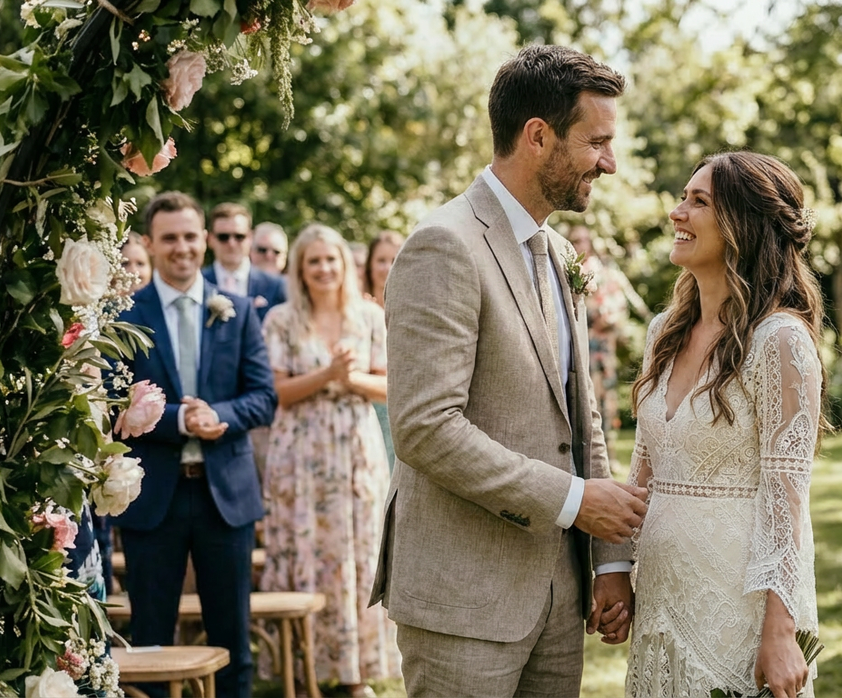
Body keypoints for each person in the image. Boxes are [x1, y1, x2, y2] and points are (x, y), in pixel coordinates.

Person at [370, 45, 645, 696]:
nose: (609, 163)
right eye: (597, 142)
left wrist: (610, 562)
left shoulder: (557, 251)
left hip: (558, 597)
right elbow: (426, 428)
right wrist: (574, 502)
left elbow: (582, 417)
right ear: (538, 136)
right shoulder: (444, 245)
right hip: (463, 598)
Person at [624, 152, 824, 698]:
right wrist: (617, 569)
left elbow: (787, 502)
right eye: (682, 198)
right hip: (662, 598)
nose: (677, 212)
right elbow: (642, 473)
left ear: (744, 224)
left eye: (699, 202)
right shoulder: (663, 333)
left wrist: (779, 632)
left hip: (736, 604)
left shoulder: (779, 341)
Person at [115, 191, 276, 698]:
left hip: (224, 495)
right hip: (152, 497)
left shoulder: (237, 311)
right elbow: (111, 402)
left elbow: (264, 397)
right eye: (169, 238)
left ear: (204, 239)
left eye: (190, 236)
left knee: (233, 644)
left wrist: (219, 416)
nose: (181, 247)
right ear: (149, 243)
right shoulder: (126, 314)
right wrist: (180, 419)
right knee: (150, 644)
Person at [260, 224, 398, 697]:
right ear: (300, 268)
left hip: (355, 449)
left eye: (330, 260)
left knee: (357, 552)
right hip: (299, 452)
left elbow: (389, 386)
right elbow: (278, 392)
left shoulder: (370, 316)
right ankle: (301, 671)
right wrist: (328, 374)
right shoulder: (281, 320)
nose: (323, 269)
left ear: (345, 264)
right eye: (313, 261)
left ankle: (355, 672)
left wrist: (350, 379)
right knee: (303, 551)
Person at [567, 224, 650, 470]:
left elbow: (620, 304)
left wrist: (611, 320)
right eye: (575, 240)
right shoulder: (566, 270)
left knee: (607, 404)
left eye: (584, 240)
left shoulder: (604, 272)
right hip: (577, 346)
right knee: (582, 401)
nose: (580, 245)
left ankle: (608, 457)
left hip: (604, 348)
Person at [201, 203, 287, 320]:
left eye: (239, 236)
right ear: (210, 239)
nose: (231, 243)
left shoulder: (276, 286)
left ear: (250, 238)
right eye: (223, 237)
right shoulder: (199, 282)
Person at [363, 230, 405, 472]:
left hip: (401, 409)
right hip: (368, 408)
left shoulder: (415, 309)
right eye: (381, 260)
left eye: (395, 259)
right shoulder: (357, 309)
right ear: (369, 265)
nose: (388, 267)